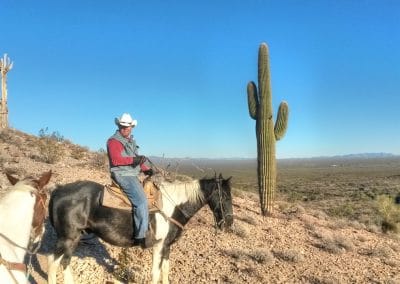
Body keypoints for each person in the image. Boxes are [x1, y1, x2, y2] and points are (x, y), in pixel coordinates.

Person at [106, 113, 154, 248]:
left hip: (131, 173)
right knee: (141, 201)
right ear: (119, 126)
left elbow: (136, 157)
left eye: (128, 127)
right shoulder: (113, 141)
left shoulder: (130, 141)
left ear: (132, 127)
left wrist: (145, 168)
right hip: (122, 174)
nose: (125, 129)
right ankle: (141, 236)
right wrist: (133, 160)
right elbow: (116, 160)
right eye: (123, 126)